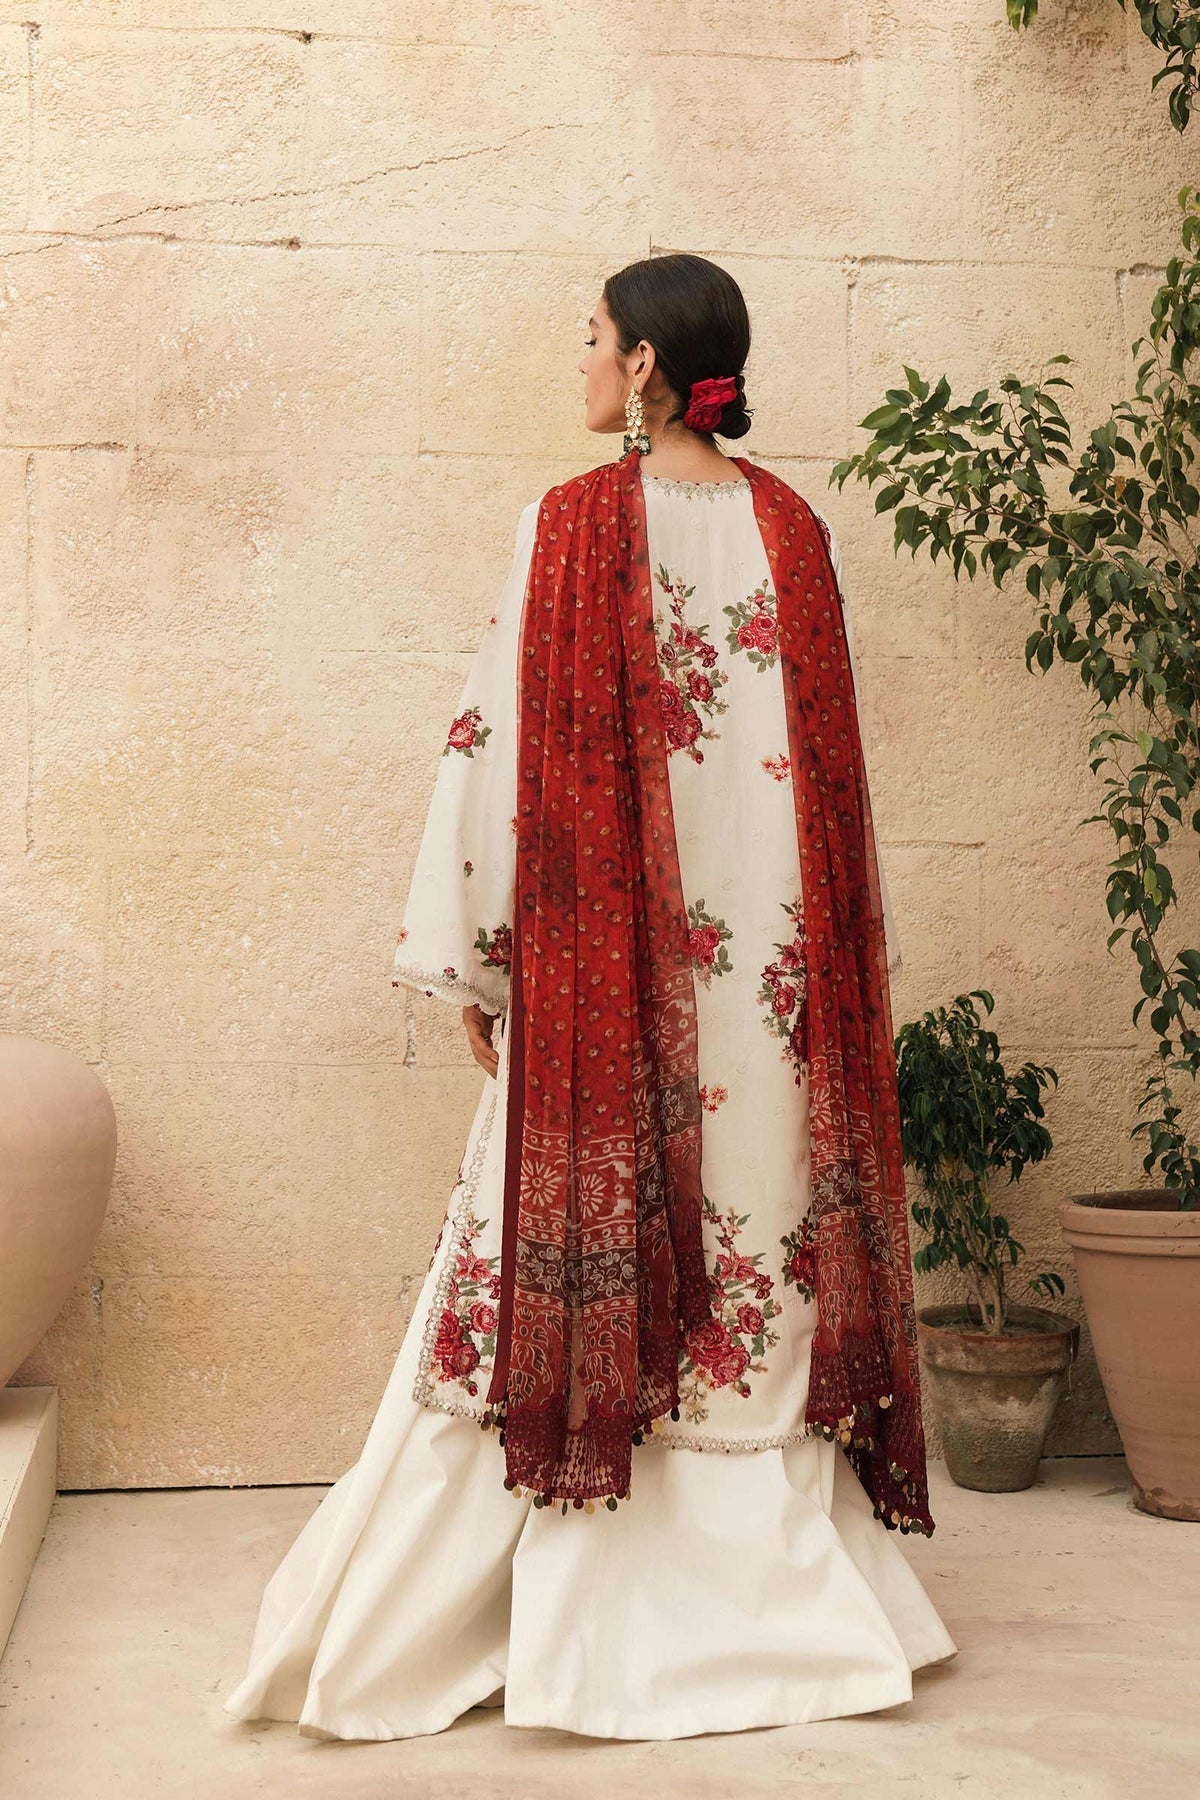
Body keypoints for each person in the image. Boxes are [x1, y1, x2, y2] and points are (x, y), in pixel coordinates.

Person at [222, 253, 958, 1744]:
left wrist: (484, 958)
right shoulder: (795, 533)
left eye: (590, 340)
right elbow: (826, 794)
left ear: (643, 371)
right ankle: (778, 1598)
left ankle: (565, 1589)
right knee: (756, 1240)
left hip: (611, 988)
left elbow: (501, 747)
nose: (577, 362)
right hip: (773, 998)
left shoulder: (569, 525)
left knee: (568, 1234)